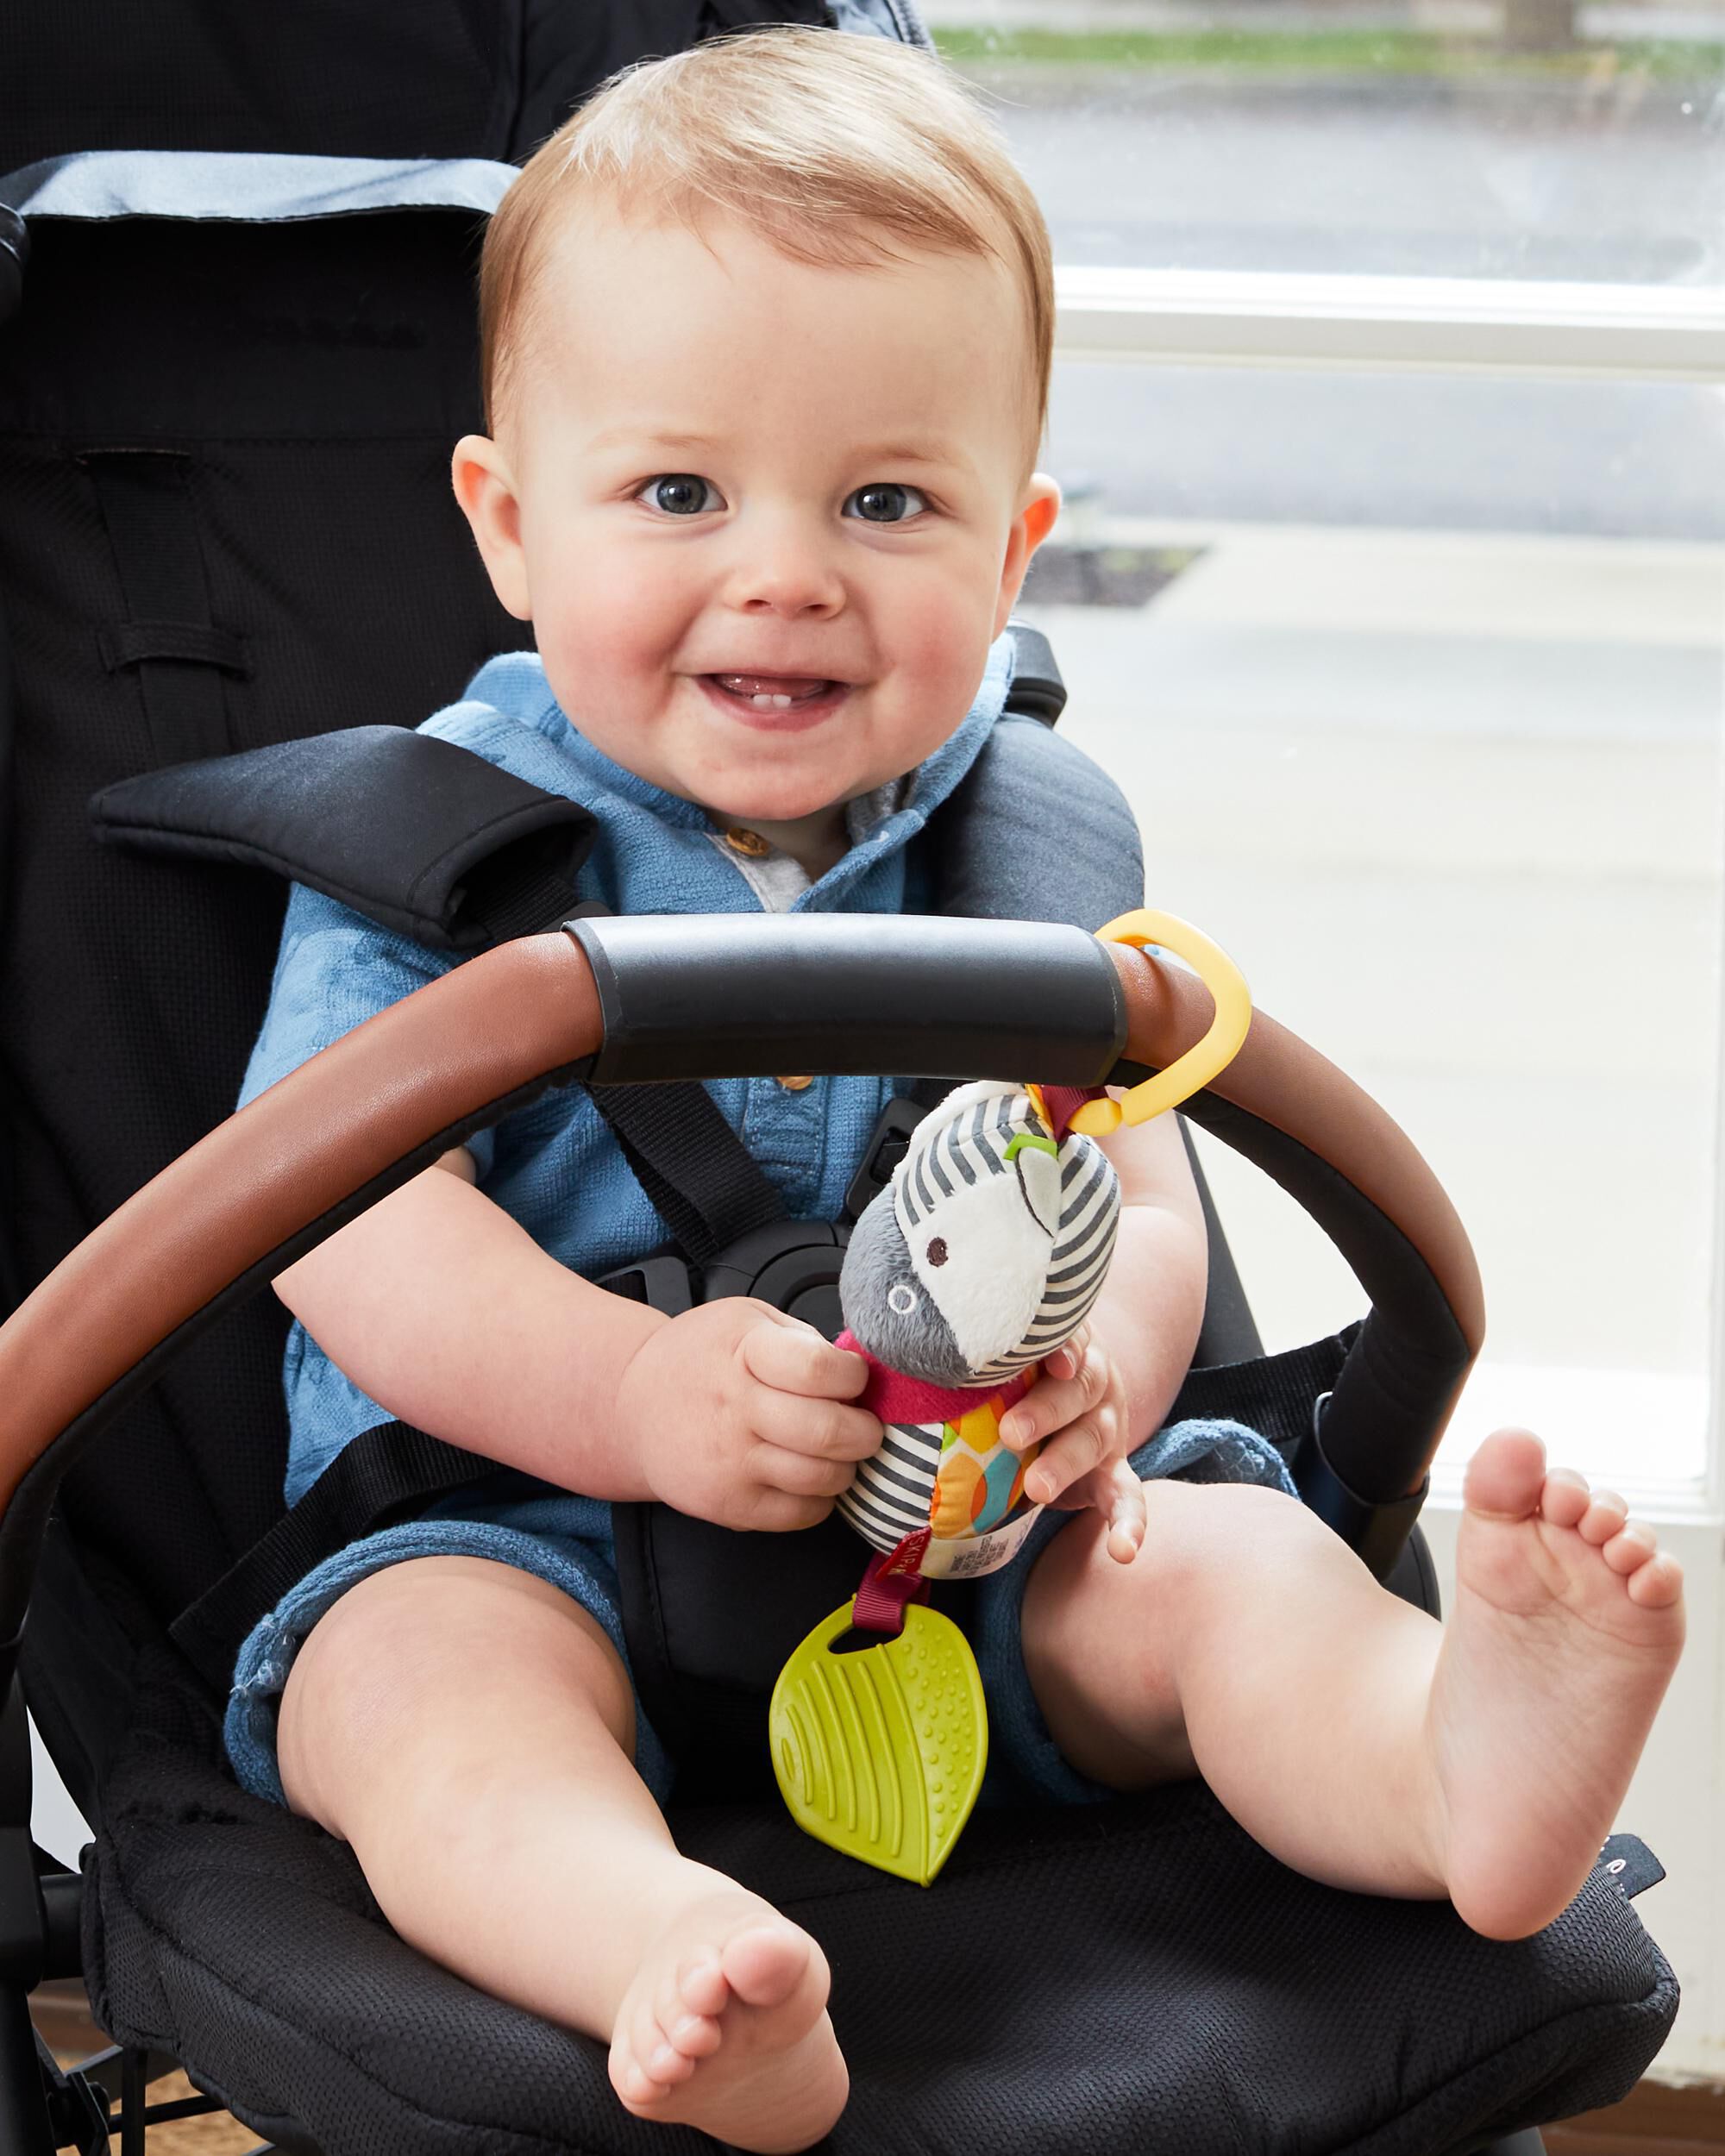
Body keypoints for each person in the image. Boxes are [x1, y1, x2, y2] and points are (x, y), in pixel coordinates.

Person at [223, 27, 1685, 2155]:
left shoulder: (1023, 849)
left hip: (981, 1548)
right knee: (410, 1701)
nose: (788, 570)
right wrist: (623, 1395)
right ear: (510, 525)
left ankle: (1446, 1754)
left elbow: (1143, 1183)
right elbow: (340, 1219)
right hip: (525, 1530)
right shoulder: (421, 854)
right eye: (678, 494)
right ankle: (665, 1949)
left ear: (1012, 553)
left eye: (886, 502)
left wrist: (1100, 1376)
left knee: (1223, 1565)